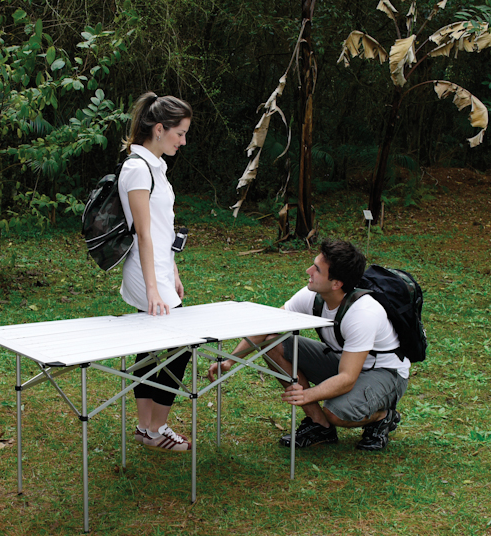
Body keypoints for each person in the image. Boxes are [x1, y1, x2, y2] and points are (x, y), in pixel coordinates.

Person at [207, 239, 409, 451]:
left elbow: (347, 378)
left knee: (335, 412)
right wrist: (230, 361)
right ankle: (319, 425)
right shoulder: (313, 295)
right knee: (271, 342)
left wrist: (307, 395)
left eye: (317, 269)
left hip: (385, 373)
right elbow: (268, 326)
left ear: (336, 284)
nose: (308, 271)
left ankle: (382, 416)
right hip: (345, 361)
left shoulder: (363, 314)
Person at [118, 91, 193, 452]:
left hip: (160, 268)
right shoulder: (137, 169)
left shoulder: (156, 167)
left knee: (150, 349)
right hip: (143, 270)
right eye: (180, 133)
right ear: (159, 129)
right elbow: (144, 234)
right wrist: (151, 288)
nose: (183, 141)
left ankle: (145, 428)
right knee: (183, 346)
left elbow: (163, 229)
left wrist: (173, 271)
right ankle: (156, 428)